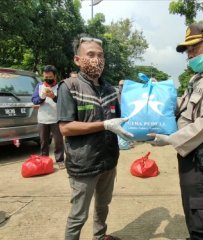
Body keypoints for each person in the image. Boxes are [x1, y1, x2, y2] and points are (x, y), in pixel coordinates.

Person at [149, 23, 203, 239]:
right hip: (192, 152)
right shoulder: (199, 77)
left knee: (202, 210)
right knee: (192, 205)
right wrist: (158, 94)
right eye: (188, 51)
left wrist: (171, 139)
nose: (189, 55)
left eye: (193, 49)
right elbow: (185, 106)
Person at [57, 35, 132, 240]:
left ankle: (99, 237)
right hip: (84, 163)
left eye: (100, 55)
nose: (96, 59)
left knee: (103, 206)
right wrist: (104, 125)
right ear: (77, 60)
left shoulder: (109, 90)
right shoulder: (69, 87)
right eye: (90, 54)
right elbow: (65, 128)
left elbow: (118, 120)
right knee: (78, 215)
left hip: (108, 161)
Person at [32, 65, 65, 169]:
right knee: (43, 141)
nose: (48, 79)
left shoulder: (59, 86)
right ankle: (44, 160)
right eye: (46, 77)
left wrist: (54, 97)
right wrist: (42, 97)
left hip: (56, 118)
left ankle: (60, 160)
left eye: (50, 77)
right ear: (43, 75)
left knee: (58, 141)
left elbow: (64, 101)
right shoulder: (39, 86)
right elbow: (34, 100)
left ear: (55, 76)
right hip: (42, 119)